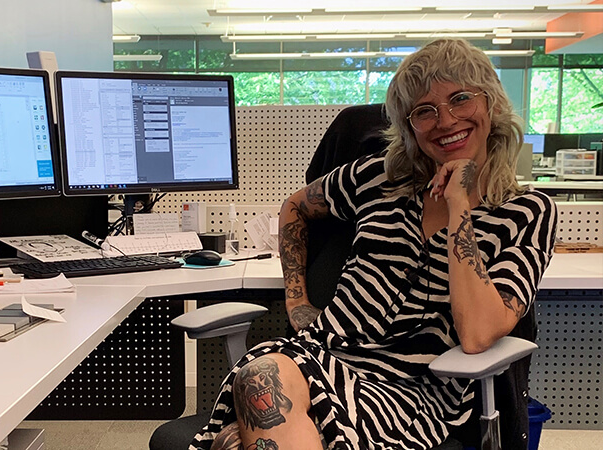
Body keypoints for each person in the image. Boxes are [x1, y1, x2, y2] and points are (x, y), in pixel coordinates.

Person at [190, 38, 557, 450]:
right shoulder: (379, 179)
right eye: (424, 111)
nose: (446, 120)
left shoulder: (526, 212)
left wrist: (459, 204)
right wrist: (297, 302)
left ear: (490, 104)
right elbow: (295, 206)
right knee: (261, 377)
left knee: (255, 417)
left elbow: (475, 335)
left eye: (461, 99)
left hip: (409, 392)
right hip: (319, 355)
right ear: (410, 127)